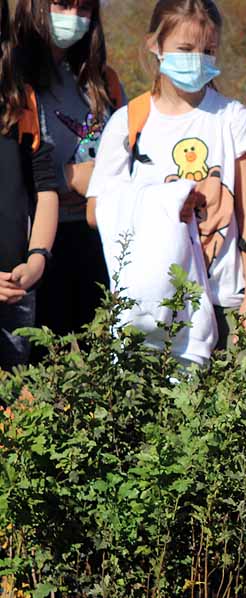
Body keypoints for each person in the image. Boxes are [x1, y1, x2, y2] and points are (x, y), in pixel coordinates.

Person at [87, 0, 246, 350]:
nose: (197, 59)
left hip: (220, 297)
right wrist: (167, 201)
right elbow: (96, 212)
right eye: (185, 49)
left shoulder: (234, 119)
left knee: (218, 404)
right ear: (155, 45)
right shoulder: (128, 121)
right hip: (146, 299)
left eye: (208, 50)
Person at [14, 0, 121, 341]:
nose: (73, 19)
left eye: (84, 10)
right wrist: (69, 178)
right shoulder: (12, 80)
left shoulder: (103, 82)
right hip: (33, 244)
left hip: (96, 238)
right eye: (61, 5)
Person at [0, 0, 58, 368]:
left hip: (16, 289)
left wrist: (38, 259)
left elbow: (46, 186)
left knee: (18, 413)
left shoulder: (20, 100)